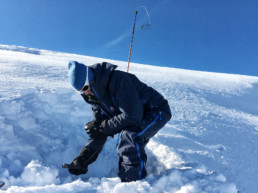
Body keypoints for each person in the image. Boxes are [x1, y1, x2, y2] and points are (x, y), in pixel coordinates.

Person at [66, 61, 172, 182]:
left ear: (91, 79)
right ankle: (128, 179)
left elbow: (133, 115)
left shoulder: (119, 80)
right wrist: (84, 157)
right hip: (137, 114)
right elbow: (99, 130)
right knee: (127, 137)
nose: (85, 93)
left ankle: (133, 184)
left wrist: (103, 127)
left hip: (156, 110)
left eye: (85, 87)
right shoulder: (94, 98)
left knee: (130, 136)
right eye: (80, 91)